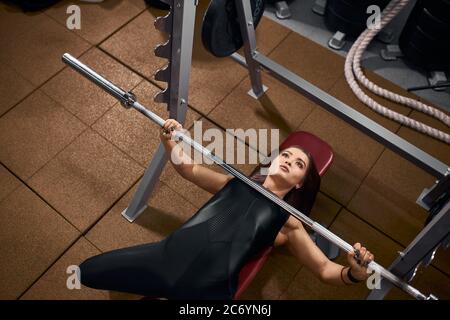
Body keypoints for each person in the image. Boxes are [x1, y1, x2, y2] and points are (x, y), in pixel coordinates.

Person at [78, 119, 374, 299]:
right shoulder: (236, 182)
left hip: (208, 290)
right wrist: (169, 142)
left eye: (299, 165)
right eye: (286, 155)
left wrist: (354, 274)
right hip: (164, 259)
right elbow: (191, 169)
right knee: (86, 271)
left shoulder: (289, 222)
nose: (288, 161)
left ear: (300, 183)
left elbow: (324, 269)